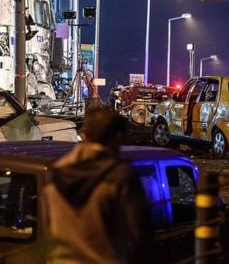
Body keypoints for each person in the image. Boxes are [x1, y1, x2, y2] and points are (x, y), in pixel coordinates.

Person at [43, 108, 153, 264]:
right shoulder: (120, 176)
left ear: (85, 136)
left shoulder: (54, 175)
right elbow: (140, 233)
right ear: (118, 137)